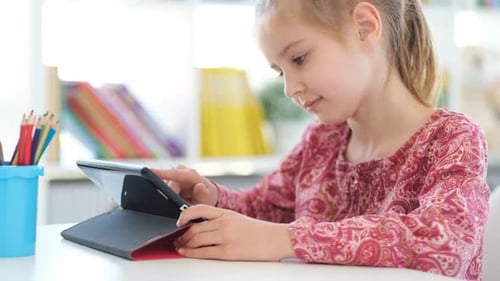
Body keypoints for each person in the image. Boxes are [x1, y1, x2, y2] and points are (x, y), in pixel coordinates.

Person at [153, 1, 490, 280]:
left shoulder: (452, 138)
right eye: (280, 72)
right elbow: (263, 210)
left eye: (299, 59)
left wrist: (285, 240)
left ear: (364, 27)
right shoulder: (321, 141)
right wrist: (210, 198)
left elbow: (446, 240)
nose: (289, 88)